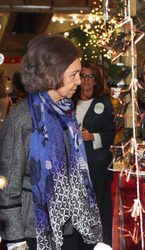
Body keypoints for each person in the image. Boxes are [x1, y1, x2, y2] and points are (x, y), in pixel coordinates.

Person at [0, 34, 103, 250]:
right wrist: (15, 241)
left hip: (70, 227)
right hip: (33, 232)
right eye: (74, 74)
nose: (79, 81)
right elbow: (7, 187)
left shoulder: (66, 111)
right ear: (50, 74)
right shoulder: (22, 119)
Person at [74, 61, 115, 247]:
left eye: (91, 76)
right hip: (73, 164)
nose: (86, 80)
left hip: (96, 166)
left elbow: (111, 134)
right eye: (83, 75)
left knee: (98, 208)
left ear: (97, 80)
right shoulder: (70, 102)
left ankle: (100, 243)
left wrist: (92, 136)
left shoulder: (103, 103)